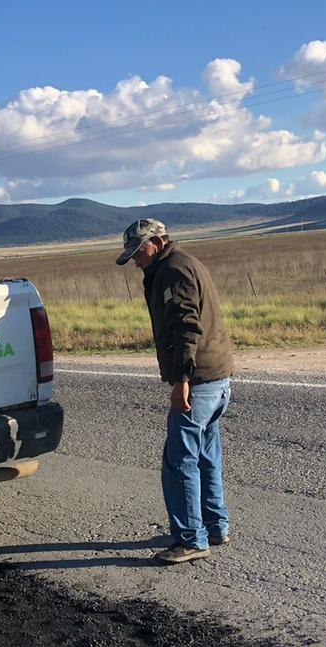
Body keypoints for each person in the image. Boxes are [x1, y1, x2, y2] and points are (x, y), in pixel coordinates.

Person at [116, 218, 233, 565]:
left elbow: (186, 325)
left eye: (138, 252)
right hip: (217, 377)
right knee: (205, 455)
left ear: (156, 241)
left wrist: (182, 379)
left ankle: (191, 538)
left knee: (179, 461)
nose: (135, 260)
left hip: (198, 381)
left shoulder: (172, 270)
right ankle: (214, 526)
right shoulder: (183, 262)